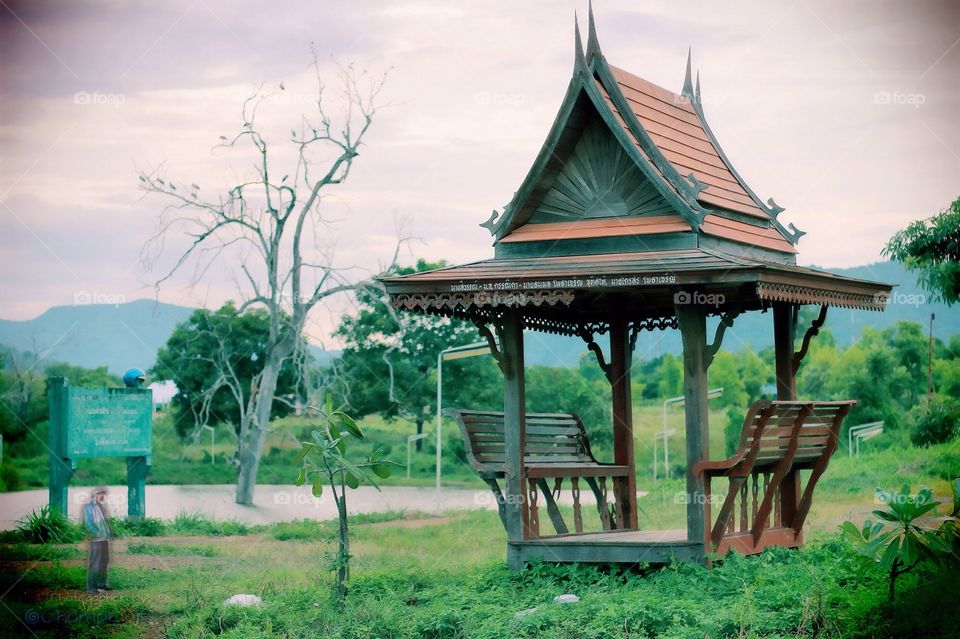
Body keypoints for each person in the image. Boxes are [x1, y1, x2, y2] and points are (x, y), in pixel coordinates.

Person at [82, 487, 112, 594]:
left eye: (103, 495)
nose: (102, 496)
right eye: (100, 494)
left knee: (104, 562)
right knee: (95, 563)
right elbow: (88, 522)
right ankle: (91, 587)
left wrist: (109, 532)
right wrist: (96, 533)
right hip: (97, 540)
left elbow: (105, 522)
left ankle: (101, 584)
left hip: (104, 539)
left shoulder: (101, 506)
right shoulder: (89, 507)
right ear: (95, 495)